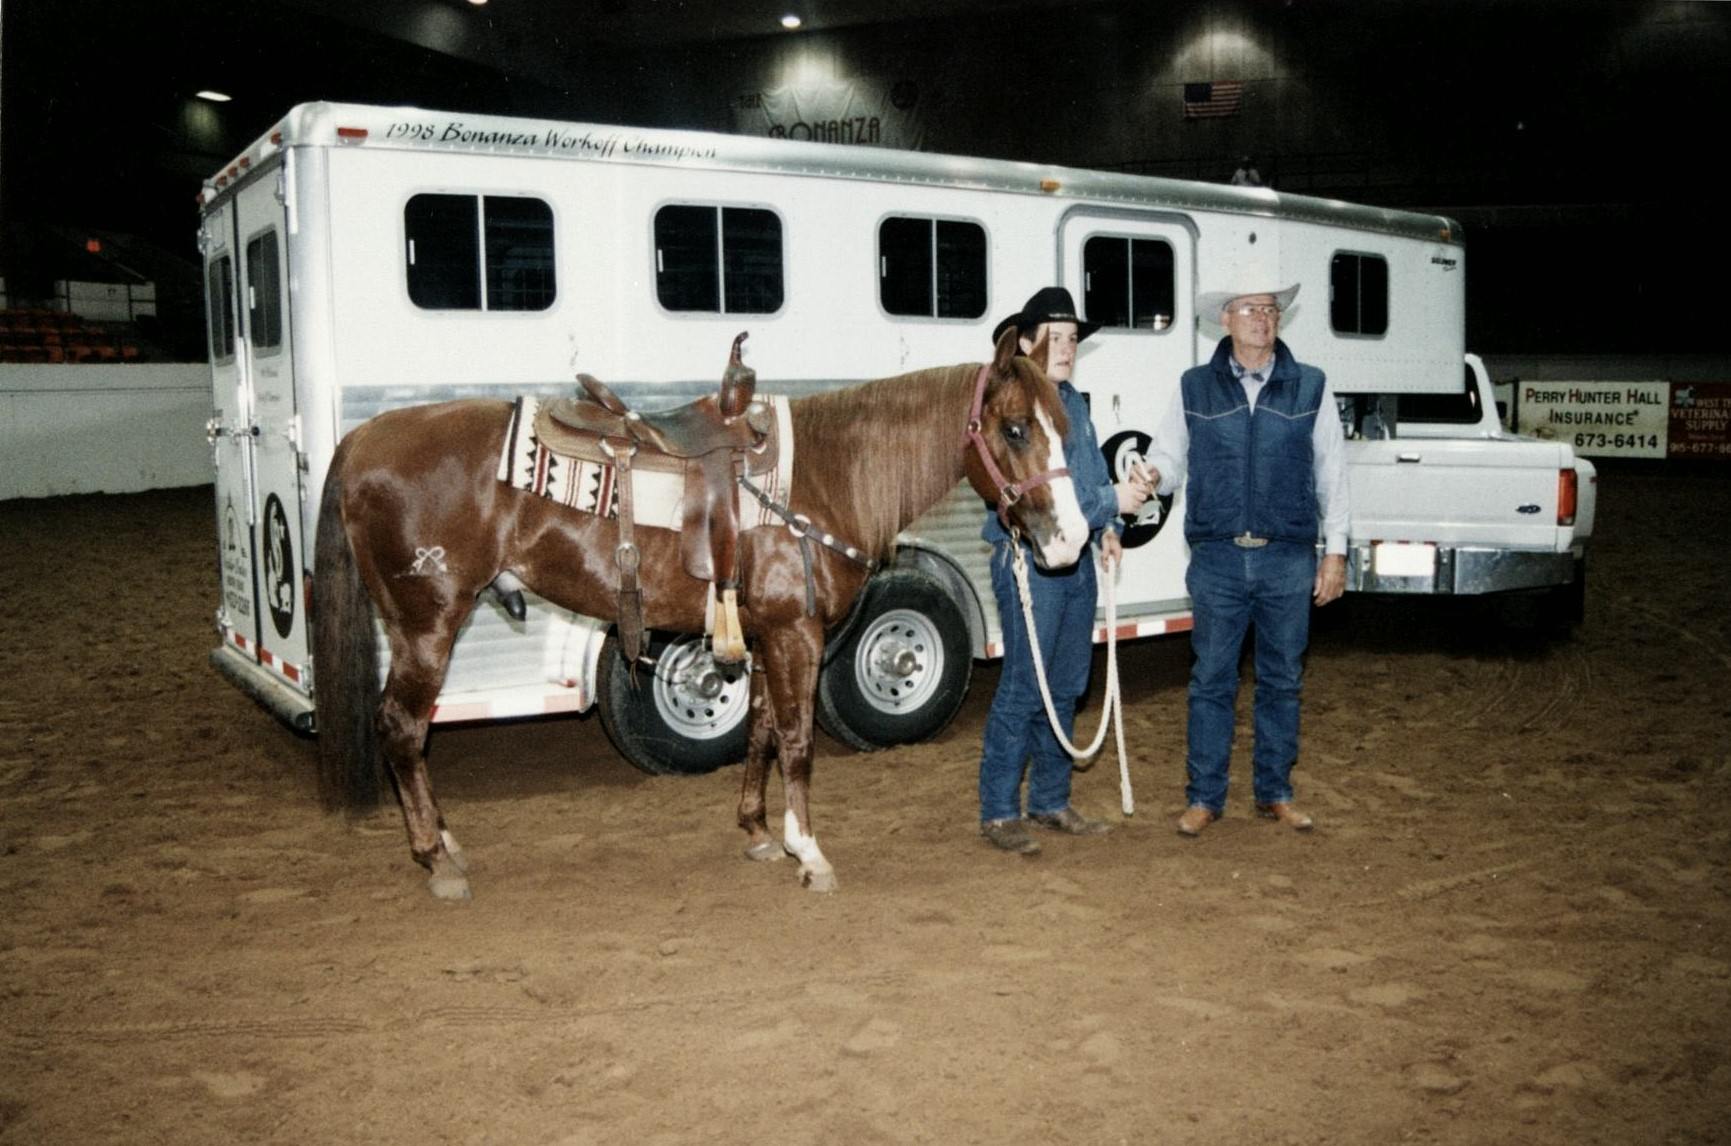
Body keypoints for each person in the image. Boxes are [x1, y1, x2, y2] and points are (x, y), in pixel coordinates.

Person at [1139, 277, 1348, 837]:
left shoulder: (1310, 386)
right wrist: (1152, 474)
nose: (1263, 317)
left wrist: (1336, 552)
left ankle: (1275, 793)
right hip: (1218, 559)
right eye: (1250, 308)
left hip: (1288, 557)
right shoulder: (1194, 387)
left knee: (1282, 680)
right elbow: (1170, 457)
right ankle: (1205, 798)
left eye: (1271, 308)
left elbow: (1332, 473)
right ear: (1225, 319)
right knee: (1211, 679)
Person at [978, 287, 1154, 855]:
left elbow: (1090, 477)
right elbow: (1052, 495)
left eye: (1073, 339)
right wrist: (1111, 502)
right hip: (1028, 561)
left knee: (1067, 685)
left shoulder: (1074, 404)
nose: (1068, 348)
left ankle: (1050, 801)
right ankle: (999, 811)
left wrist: (1110, 529)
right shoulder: (1015, 406)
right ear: (1026, 343)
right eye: (1056, 338)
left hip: (1074, 561)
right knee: (1024, 687)